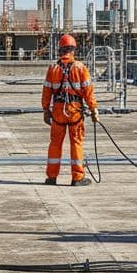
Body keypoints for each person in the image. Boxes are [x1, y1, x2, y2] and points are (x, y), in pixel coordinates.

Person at [42, 34, 99, 186]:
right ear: (73, 49)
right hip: (75, 111)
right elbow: (88, 91)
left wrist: (46, 110)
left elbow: (47, 91)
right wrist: (94, 110)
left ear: (60, 50)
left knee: (55, 143)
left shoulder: (53, 68)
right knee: (76, 143)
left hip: (58, 111)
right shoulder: (80, 68)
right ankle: (77, 177)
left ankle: (51, 177)